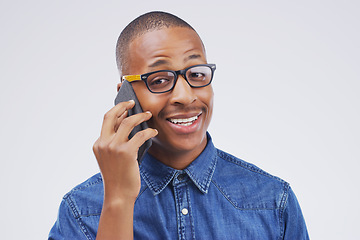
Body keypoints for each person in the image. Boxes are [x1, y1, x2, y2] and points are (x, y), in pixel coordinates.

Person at [49, 11, 309, 240]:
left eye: (196, 74)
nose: (185, 97)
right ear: (126, 95)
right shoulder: (80, 211)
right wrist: (118, 200)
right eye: (160, 80)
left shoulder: (273, 201)